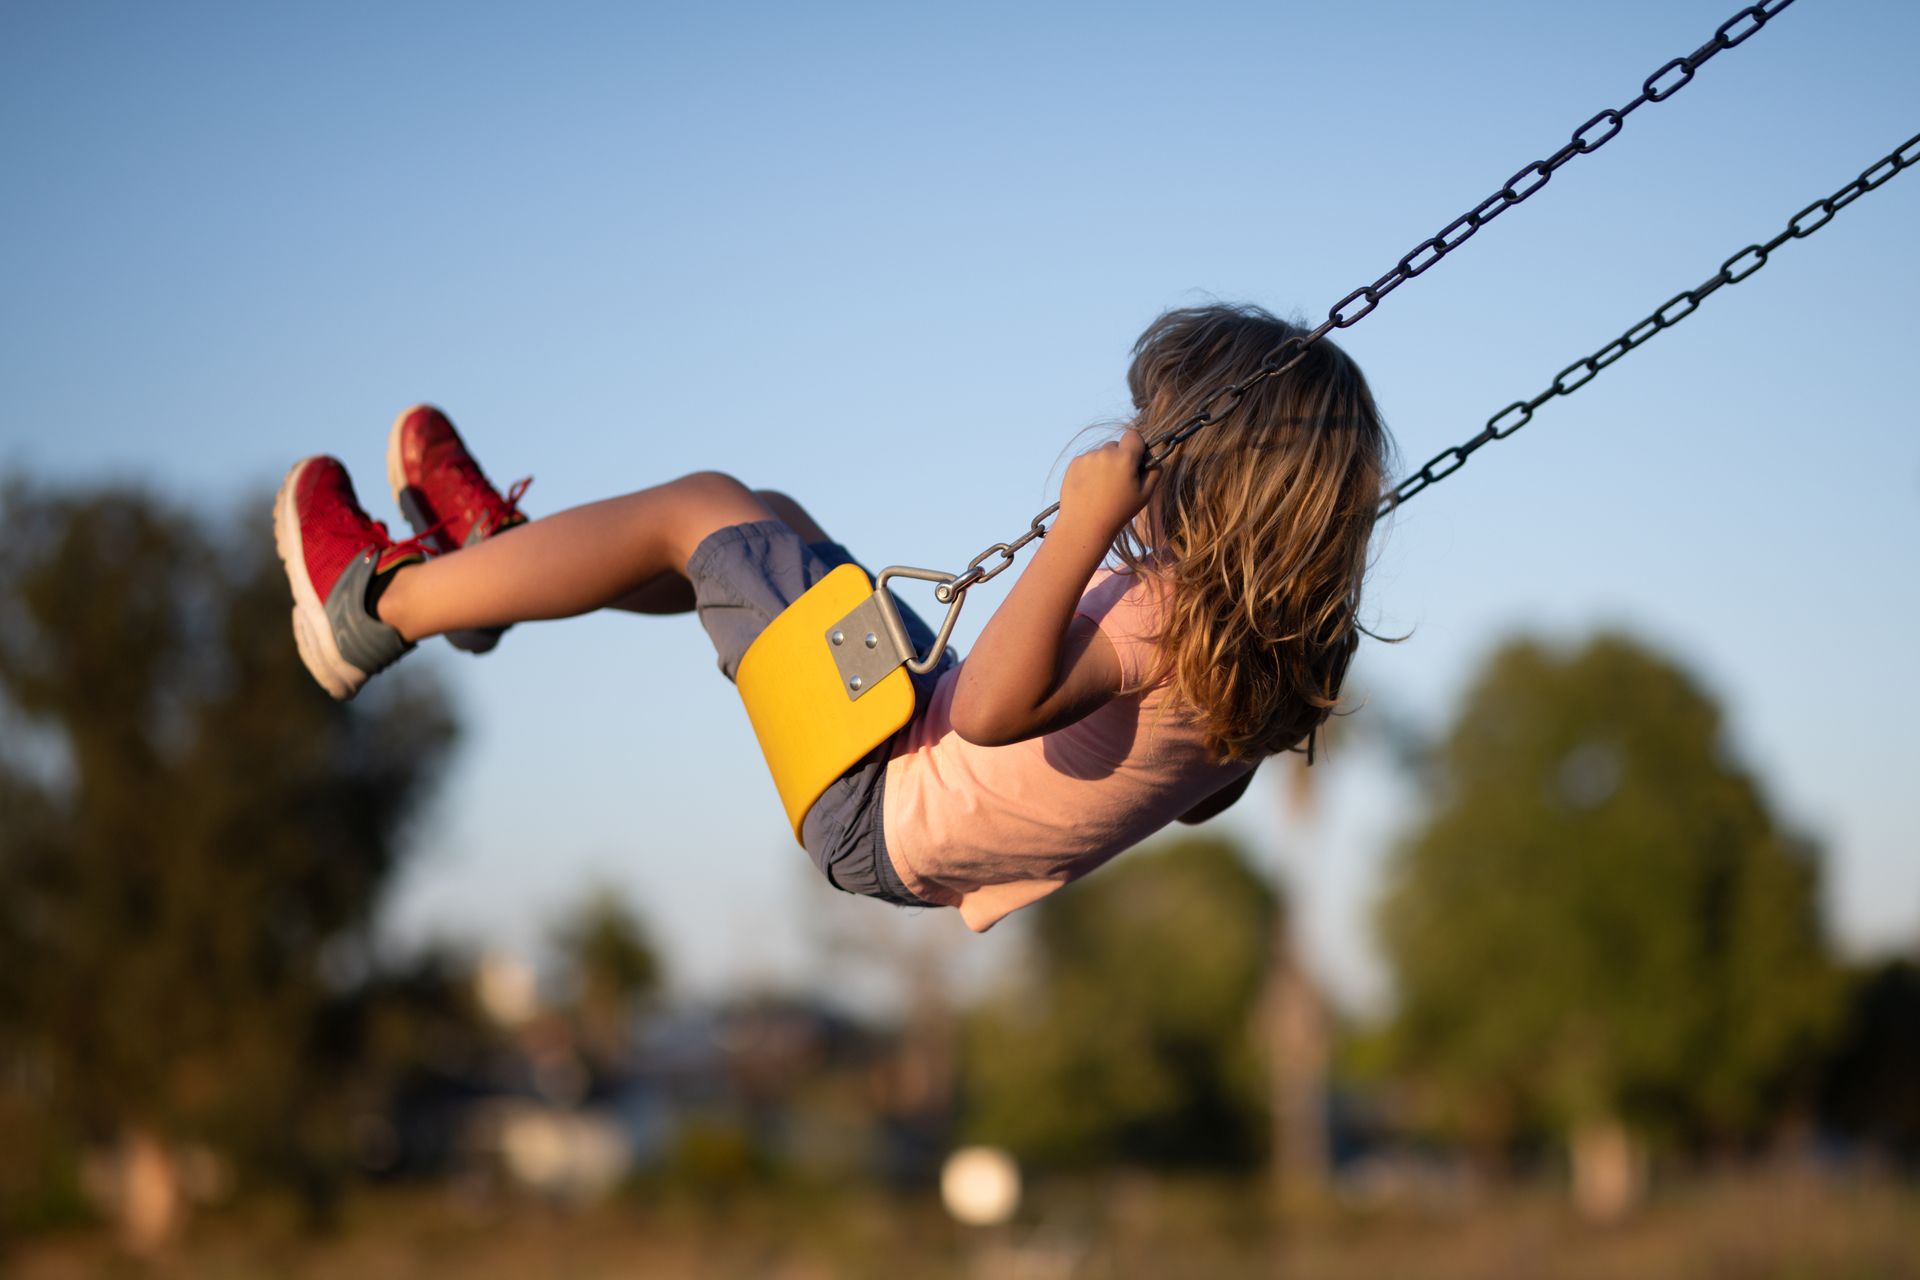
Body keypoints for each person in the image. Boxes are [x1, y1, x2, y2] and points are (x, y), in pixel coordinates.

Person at [273, 304, 1392, 931]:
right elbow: (1196, 798)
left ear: (1213, 480)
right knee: (772, 524)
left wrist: (1082, 530)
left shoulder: (1158, 612)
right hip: (911, 752)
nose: (1132, 449)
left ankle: (378, 601)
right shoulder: (1265, 660)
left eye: (1156, 439)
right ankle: (499, 570)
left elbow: (999, 711)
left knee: (700, 510)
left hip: (881, 786)